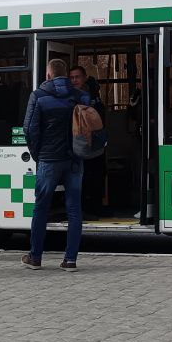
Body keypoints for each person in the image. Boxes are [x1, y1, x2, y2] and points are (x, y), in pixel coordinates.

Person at [21, 58, 90, 270]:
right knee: (74, 209)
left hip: (48, 159)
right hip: (74, 159)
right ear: (67, 75)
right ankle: (70, 260)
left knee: (41, 207)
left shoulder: (39, 96)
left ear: (48, 75)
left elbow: (29, 129)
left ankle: (35, 257)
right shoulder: (81, 96)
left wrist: (37, 154)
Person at [69, 65, 106, 220]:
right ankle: (84, 208)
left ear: (84, 78)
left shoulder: (93, 94)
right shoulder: (70, 96)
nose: (74, 80)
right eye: (71, 78)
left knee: (98, 175)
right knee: (83, 178)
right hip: (79, 143)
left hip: (96, 141)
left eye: (77, 77)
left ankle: (97, 207)